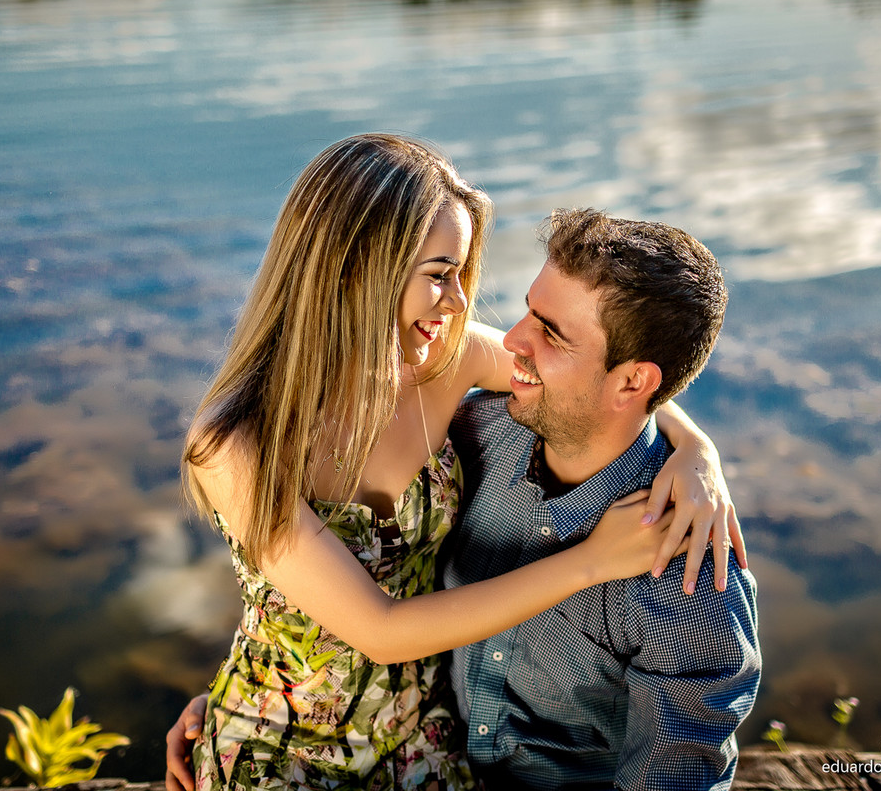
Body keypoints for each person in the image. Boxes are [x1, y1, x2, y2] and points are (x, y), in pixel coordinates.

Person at [174, 134, 742, 790]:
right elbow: (378, 632)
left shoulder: (448, 360)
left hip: (428, 741)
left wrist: (700, 453)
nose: (456, 303)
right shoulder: (236, 442)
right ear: (356, 266)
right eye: (439, 275)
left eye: (461, 274)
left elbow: (591, 384)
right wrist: (590, 562)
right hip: (287, 749)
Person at [444, 209, 760, 790]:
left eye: (552, 331)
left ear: (633, 383)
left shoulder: (687, 574)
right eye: (530, 310)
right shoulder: (473, 434)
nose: (513, 338)